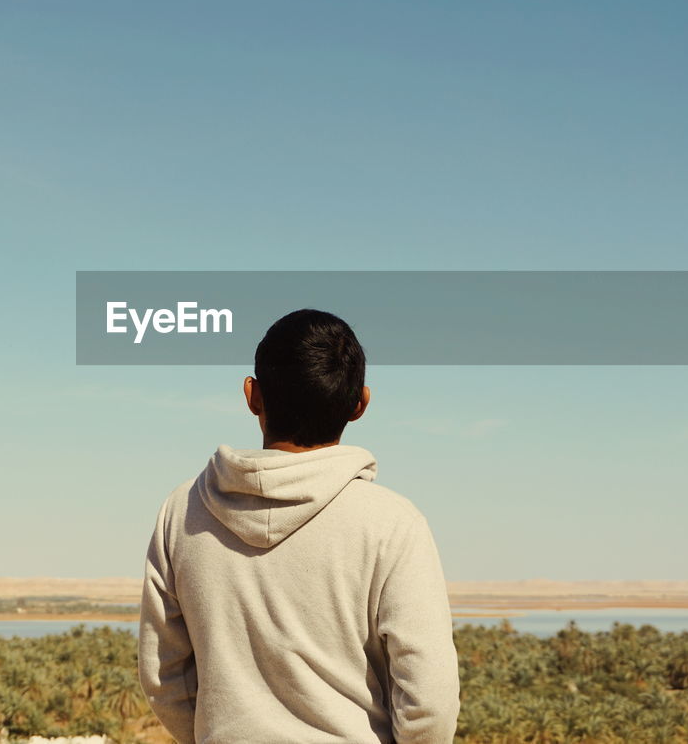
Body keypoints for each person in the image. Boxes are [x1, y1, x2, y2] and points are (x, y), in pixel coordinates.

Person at [137, 308, 460, 743]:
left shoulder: (183, 511)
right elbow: (430, 699)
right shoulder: (393, 525)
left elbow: (163, 676)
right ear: (360, 403)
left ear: (253, 396)